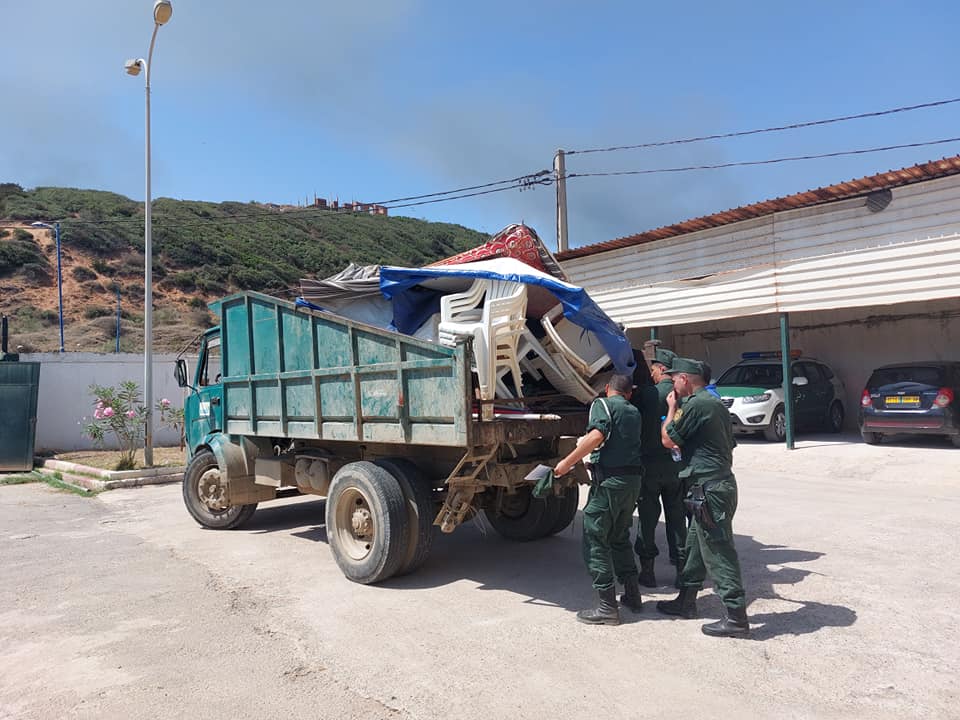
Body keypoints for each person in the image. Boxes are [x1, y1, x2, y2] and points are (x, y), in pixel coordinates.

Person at [655, 357, 750, 638]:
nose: (672, 383)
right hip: (711, 487)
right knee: (696, 546)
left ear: (685, 379)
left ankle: (736, 617)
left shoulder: (697, 404)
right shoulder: (714, 403)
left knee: (718, 551)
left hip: (710, 489)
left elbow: (668, 439)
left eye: (674, 379)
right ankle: (686, 601)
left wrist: (671, 408)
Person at [554, 373, 643, 625]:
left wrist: (565, 463)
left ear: (606, 389)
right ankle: (633, 595)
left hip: (610, 484)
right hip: (631, 482)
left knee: (595, 539)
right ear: (629, 393)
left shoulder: (601, 405)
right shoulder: (634, 411)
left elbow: (596, 436)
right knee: (619, 536)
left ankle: (607, 607)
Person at [634, 346, 687, 589]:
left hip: (650, 466)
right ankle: (681, 571)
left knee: (647, 518)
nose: (652, 373)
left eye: (653, 369)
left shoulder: (648, 394)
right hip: (676, 467)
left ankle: (648, 571)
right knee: (677, 518)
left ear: (661, 369)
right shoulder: (684, 396)